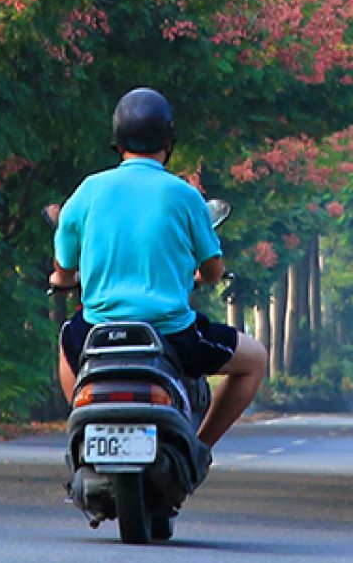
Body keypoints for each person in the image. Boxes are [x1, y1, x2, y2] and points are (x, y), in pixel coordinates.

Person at [50, 86, 268, 449]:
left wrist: (62, 279)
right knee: (255, 359)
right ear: (169, 142)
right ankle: (199, 447)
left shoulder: (88, 191)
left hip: (98, 331)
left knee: (66, 341)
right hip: (172, 334)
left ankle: (85, 432)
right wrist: (200, 276)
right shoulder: (185, 195)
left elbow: (64, 264)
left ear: (118, 142)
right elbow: (213, 269)